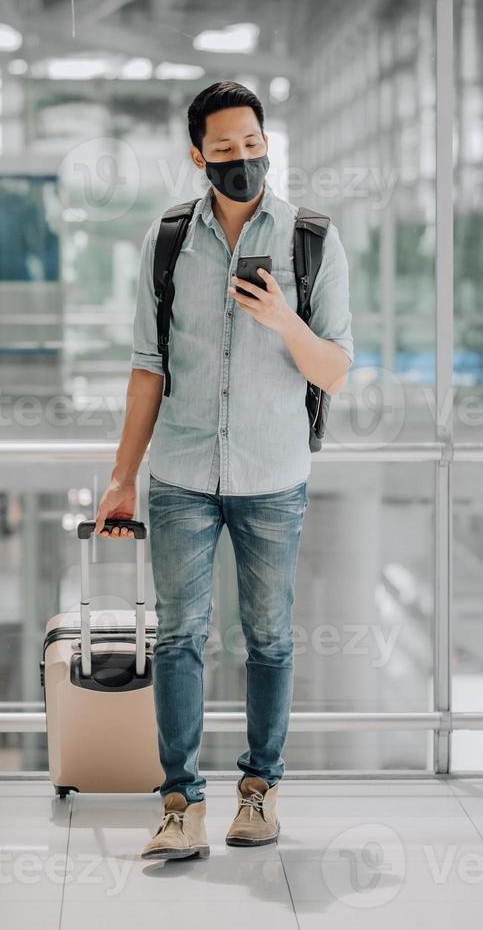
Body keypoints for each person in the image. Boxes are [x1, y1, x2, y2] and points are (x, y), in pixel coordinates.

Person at [92, 81, 354, 860]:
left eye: (252, 144)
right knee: (177, 638)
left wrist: (281, 318)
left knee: (268, 638)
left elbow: (334, 370)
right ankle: (180, 803)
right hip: (179, 475)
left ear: (267, 143)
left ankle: (259, 791)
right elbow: (147, 367)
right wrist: (120, 477)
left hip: (273, 476)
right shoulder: (168, 239)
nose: (242, 159)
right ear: (196, 154)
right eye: (225, 148)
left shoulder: (312, 239)